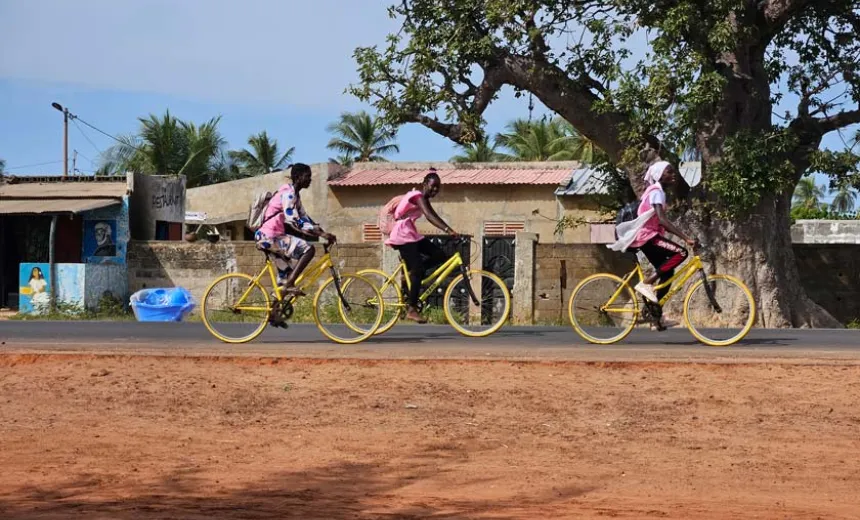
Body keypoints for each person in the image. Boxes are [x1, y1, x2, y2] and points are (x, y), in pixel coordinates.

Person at [384, 170, 458, 323]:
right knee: (417, 270)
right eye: (433, 186)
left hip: (411, 234)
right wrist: (448, 230)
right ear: (425, 184)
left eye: (438, 188)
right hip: (402, 235)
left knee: (439, 255)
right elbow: (430, 217)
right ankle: (411, 308)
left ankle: (413, 274)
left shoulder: (423, 199)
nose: (435, 190)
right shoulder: (416, 196)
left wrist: (451, 230)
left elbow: (434, 215)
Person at [627, 161, 699, 317]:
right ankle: (647, 283)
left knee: (667, 272)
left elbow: (661, 222)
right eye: (669, 172)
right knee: (681, 253)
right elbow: (662, 220)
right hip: (648, 237)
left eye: (673, 172)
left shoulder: (656, 192)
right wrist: (686, 238)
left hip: (649, 237)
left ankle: (654, 313)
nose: (674, 175)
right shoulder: (656, 192)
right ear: (660, 175)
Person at [255, 163, 336, 297]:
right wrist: (321, 234)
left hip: (271, 237)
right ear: (298, 177)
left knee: (285, 280)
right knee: (309, 250)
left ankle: (274, 314)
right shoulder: (288, 194)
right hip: (269, 237)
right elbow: (294, 220)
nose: (310, 179)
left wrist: (323, 233)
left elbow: (305, 218)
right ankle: (290, 284)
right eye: (307, 176)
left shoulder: (295, 195)